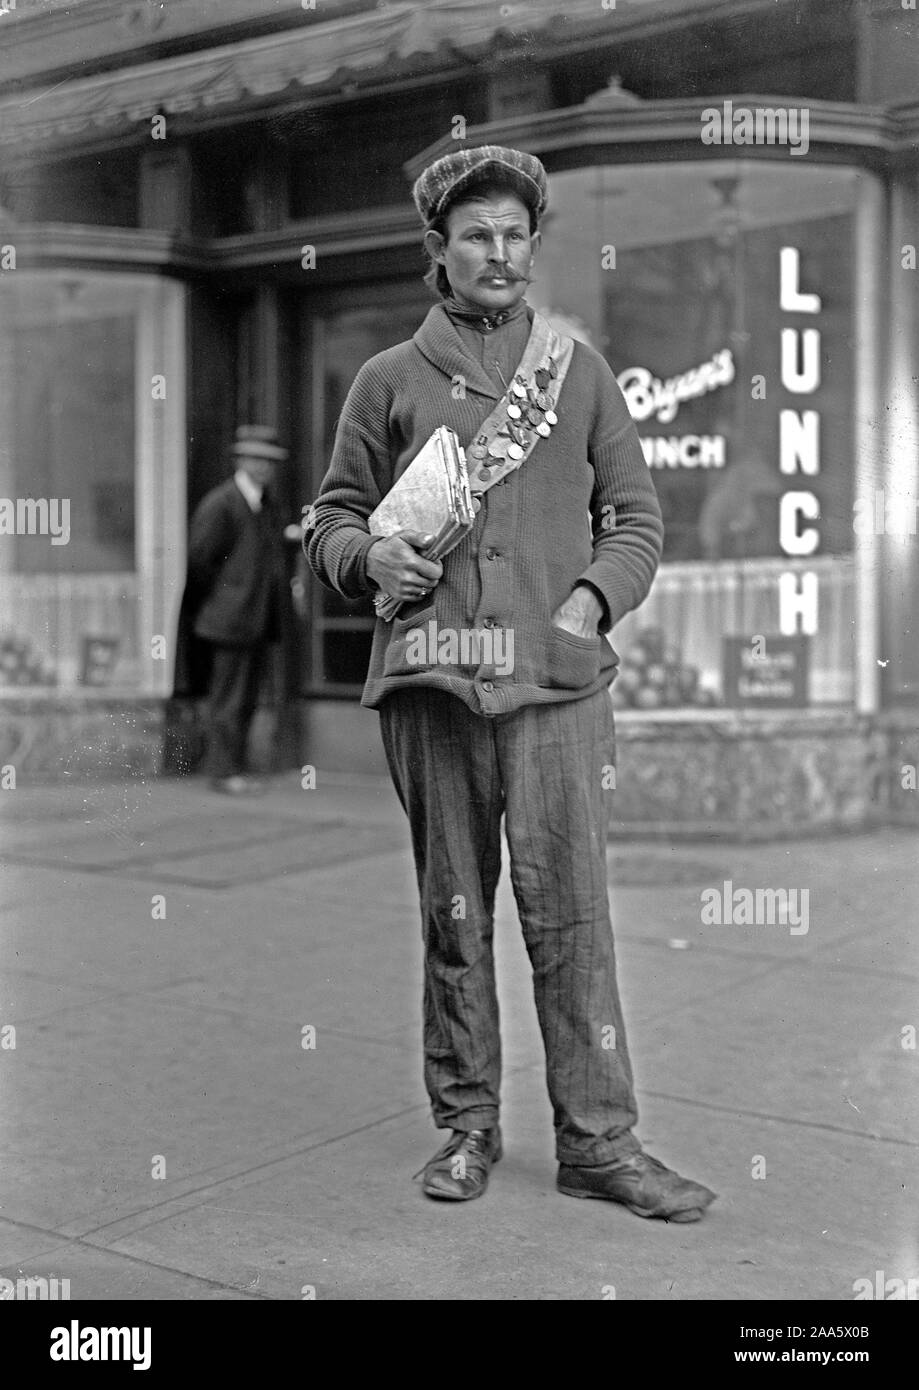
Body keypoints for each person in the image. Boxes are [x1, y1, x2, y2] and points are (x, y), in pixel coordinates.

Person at [307, 145, 716, 1221]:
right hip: (436, 688)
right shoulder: (387, 379)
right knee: (454, 916)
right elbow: (332, 520)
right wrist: (365, 559)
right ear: (437, 251)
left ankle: (598, 1140)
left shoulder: (574, 373)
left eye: (514, 234)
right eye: (476, 234)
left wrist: (588, 603)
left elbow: (635, 517)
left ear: (533, 247)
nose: (499, 253)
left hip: (555, 690)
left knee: (574, 920)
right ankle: (468, 1126)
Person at [173, 424, 288, 795]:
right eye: (255, 458)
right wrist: (222, 602)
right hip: (227, 621)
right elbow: (200, 562)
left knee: (244, 699)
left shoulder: (262, 502)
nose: (262, 467)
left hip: (251, 620)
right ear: (240, 460)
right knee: (229, 699)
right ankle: (223, 772)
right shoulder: (222, 503)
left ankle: (233, 768)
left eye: (269, 461)